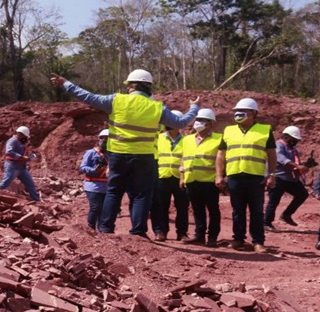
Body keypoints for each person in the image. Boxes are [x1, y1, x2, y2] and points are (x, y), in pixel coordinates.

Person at [50, 70, 199, 237]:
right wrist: (194, 107)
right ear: (148, 87)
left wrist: (65, 83)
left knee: (114, 191)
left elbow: (87, 96)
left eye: (128, 85)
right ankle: (138, 232)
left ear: (133, 86)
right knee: (142, 194)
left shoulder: (116, 100)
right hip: (144, 156)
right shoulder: (157, 107)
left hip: (118, 154)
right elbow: (180, 122)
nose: (127, 88)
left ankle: (106, 229)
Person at [215, 98, 277, 253]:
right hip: (235, 175)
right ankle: (238, 239)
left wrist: (272, 175)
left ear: (254, 113)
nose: (238, 114)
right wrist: (218, 175)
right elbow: (221, 155)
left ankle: (258, 242)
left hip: (256, 176)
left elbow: (271, 155)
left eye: (243, 111)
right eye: (236, 111)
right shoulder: (229, 131)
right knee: (237, 210)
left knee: (256, 210)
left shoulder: (264, 130)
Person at [180, 108, 222, 247]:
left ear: (210, 124)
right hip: (192, 180)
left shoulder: (219, 139)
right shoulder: (187, 140)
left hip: (209, 181)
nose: (199, 123)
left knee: (213, 210)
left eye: (203, 121)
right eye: (198, 120)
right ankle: (199, 236)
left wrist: (220, 176)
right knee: (197, 210)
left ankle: (212, 237)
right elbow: (183, 158)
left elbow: (222, 159)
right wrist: (182, 177)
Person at [264, 126, 310, 230]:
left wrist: (305, 165)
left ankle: (286, 215)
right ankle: (266, 222)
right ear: (287, 137)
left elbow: (295, 163)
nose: (296, 141)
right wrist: (298, 166)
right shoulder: (278, 146)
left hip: (290, 178)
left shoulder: (293, 150)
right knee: (274, 201)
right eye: (294, 139)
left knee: (302, 194)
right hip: (277, 177)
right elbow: (281, 159)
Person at [153, 112, 189, 241]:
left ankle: (182, 233)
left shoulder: (187, 140)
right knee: (161, 206)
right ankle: (161, 231)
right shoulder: (158, 137)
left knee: (182, 207)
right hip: (162, 176)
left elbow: (187, 158)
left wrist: (184, 176)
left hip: (180, 177)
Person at [0, 126, 41, 201]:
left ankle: (37, 200)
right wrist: (22, 157)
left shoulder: (19, 143)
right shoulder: (12, 141)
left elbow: (21, 154)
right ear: (20, 134)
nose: (25, 138)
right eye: (24, 136)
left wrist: (28, 157)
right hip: (12, 166)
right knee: (5, 183)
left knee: (30, 184)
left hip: (21, 168)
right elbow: (9, 152)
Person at [80, 129, 109, 229]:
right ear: (99, 139)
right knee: (95, 207)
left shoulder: (112, 154)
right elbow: (83, 167)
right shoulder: (91, 153)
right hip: (92, 185)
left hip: (106, 186)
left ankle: (102, 229)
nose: (105, 141)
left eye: (108, 139)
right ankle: (91, 227)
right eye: (103, 138)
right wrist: (94, 170)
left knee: (104, 209)